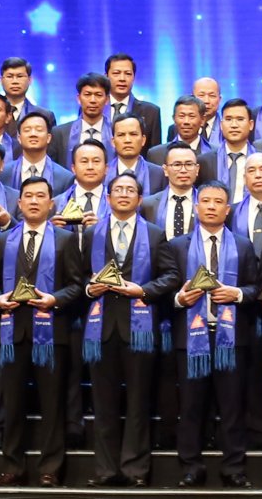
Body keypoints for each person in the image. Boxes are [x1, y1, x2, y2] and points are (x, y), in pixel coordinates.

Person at [84, 172, 177, 486]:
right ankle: (106, 470)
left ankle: (135, 470)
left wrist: (144, 291)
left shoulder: (155, 234)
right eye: (118, 189)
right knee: (103, 404)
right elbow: (77, 276)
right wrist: (89, 288)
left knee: (138, 403)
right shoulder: (92, 233)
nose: (124, 194)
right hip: (101, 329)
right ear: (108, 197)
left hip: (140, 327)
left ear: (139, 198)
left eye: (130, 190)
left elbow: (170, 276)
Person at [167, 181, 261, 487]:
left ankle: (233, 468)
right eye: (205, 201)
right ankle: (191, 467)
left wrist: (237, 294)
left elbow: (256, 289)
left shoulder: (243, 245)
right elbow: (165, 291)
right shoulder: (178, 246)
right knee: (190, 406)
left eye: (217, 201)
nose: (211, 206)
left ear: (227, 209)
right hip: (190, 337)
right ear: (196, 207)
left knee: (233, 406)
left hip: (231, 339)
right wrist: (180, 299)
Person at [0, 176, 79, 487]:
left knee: (52, 405)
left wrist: (55, 299)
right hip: (12, 333)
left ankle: (50, 469)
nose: (33, 201)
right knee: (12, 404)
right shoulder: (4, 240)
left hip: (52, 334)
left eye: (40, 196)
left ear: (51, 204)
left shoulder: (66, 240)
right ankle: (12, 467)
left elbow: (77, 286)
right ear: (19, 203)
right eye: (28, 196)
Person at [104, 52, 165, 148]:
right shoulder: (95, 108)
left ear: (134, 77)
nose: (122, 78)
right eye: (116, 73)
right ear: (106, 76)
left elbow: (154, 153)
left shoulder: (151, 112)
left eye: (128, 74)